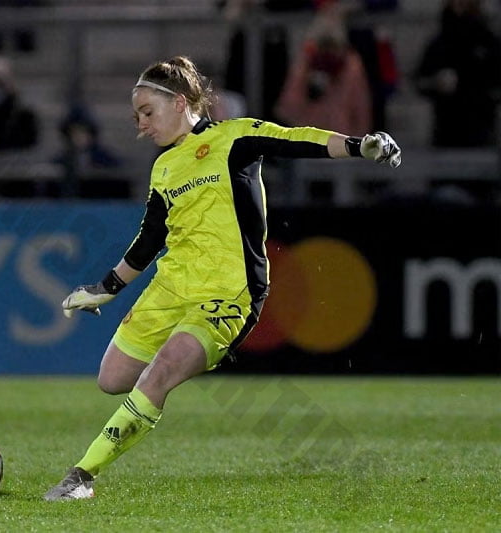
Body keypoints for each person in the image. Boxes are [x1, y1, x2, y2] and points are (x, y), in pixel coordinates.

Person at [43, 55, 400, 501]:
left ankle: (80, 477)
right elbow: (151, 237)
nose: (141, 126)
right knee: (112, 379)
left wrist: (357, 145)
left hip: (229, 290)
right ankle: (176, 366)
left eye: (147, 113)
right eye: (137, 117)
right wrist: (105, 288)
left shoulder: (235, 138)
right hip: (172, 286)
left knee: (161, 372)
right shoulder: (164, 168)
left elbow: (294, 139)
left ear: (179, 102)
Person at [413, 0, 501, 147]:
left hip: (481, 132)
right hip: (446, 132)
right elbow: (420, 81)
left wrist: (481, 88)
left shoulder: (488, 42)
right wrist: (436, 82)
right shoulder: (438, 44)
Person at [273, 5, 372, 134]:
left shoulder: (351, 64)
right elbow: (289, 106)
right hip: (311, 135)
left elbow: (361, 106)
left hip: (338, 134)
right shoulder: (307, 59)